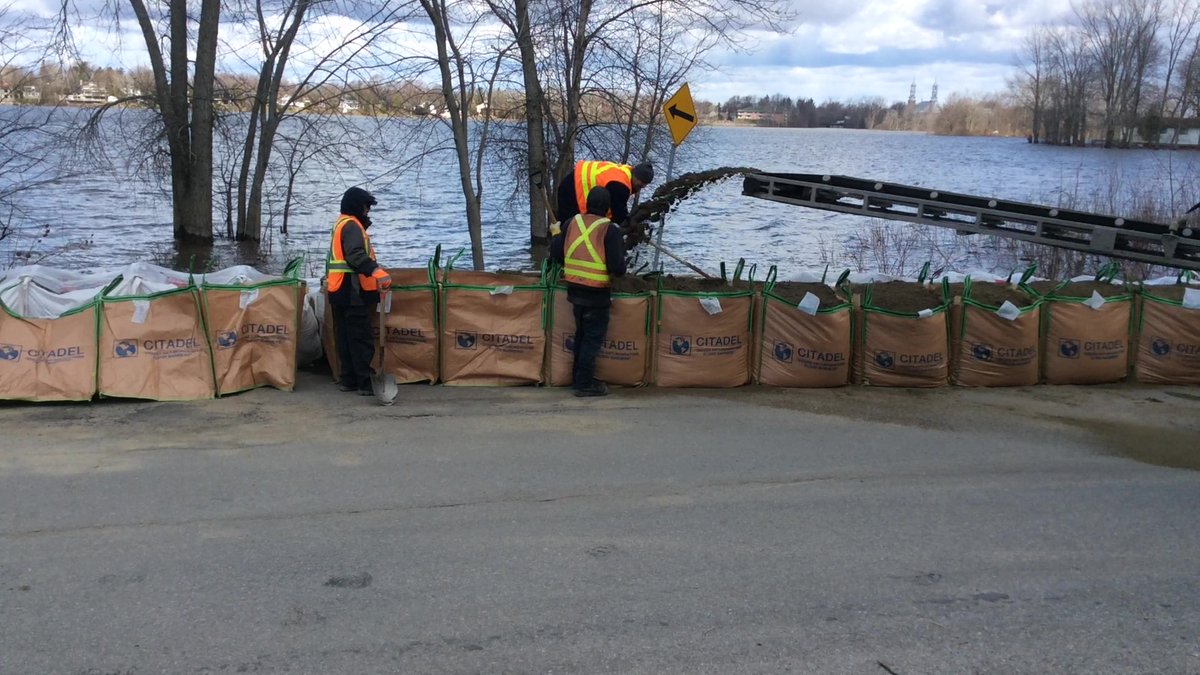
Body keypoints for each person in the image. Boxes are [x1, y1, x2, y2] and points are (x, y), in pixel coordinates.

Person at [550, 187, 627, 397]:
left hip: (575, 291)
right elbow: (618, 268)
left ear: (586, 204)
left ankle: (578, 378)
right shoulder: (609, 229)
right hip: (597, 293)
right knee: (592, 339)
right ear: (608, 208)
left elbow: (557, 255)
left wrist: (556, 235)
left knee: (581, 335)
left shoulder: (571, 222)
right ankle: (584, 384)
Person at [326, 186, 392, 396]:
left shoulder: (340, 223)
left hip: (338, 290)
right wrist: (377, 272)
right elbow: (354, 255)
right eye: (366, 208)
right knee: (360, 338)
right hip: (352, 290)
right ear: (358, 207)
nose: (367, 212)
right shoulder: (353, 226)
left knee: (344, 337)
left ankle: (349, 379)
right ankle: (365, 382)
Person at [554, 160, 654, 234]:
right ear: (635, 176)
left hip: (573, 181)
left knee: (571, 227)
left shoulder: (624, 172)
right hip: (573, 189)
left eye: (645, 184)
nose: (642, 187)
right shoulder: (621, 185)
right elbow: (619, 215)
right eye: (641, 183)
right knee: (568, 231)